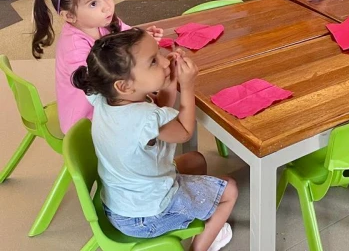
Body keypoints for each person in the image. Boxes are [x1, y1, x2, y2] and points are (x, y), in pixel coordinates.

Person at [72, 29, 237, 251]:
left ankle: (198, 213)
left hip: (121, 203)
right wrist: (187, 86)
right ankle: (200, 247)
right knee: (230, 190)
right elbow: (184, 131)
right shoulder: (144, 118)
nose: (163, 61)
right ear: (124, 85)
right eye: (153, 61)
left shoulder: (106, 97)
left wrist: (169, 79)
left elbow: (159, 110)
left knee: (196, 160)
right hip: (147, 216)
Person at [32, 0, 163, 133]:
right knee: (152, 109)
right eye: (93, 4)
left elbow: (129, 38)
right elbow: (100, 86)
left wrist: (144, 38)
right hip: (84, 122)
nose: (106, 6)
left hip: (106, 102)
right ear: (70, 16)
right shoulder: (74, 48)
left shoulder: (104, 21)